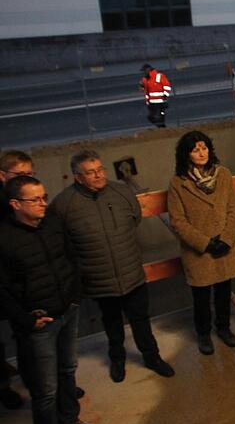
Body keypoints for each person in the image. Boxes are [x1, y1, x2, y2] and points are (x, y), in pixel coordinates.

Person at [49, 150, 174, 383]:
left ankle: (152, 357)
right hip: (99, 278)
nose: (98, 175)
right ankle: (117, 359)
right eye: (91, 172)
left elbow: (135, 218)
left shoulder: (120, 192)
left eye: (100, 169)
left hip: (131, 272)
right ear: (78, 177)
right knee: (112, 322)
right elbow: (60, 241)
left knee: (140, 319)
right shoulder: (64, 204)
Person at [0, 176, 87, 424]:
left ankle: (71, 420)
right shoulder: (5, 239)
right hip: (40, 322)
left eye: (44, 197)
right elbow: (2, 290)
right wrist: (26, 320)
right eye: (35, 199)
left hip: (68, 310)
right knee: (46, 389)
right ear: (16, 204)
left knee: (68, 371)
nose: (42, 204)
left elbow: (72, 259)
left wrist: (75, 296)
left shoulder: (53, 223)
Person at [167, 131, 235, 355]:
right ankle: (203, 334)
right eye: (196, 149)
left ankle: (224, 328)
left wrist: (226, 239)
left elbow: (234, 209)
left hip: (224, 246)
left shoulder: (223, 174)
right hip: (199, 250)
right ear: (186, 154)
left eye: (204, 147)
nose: (201, 153)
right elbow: (178, 222)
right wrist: (206, 243)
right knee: (201, 297)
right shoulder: (178, 183)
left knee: (223, 292)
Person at [0, 150, 34, 409]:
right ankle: (4, 389)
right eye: (20, 174)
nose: (25, 179)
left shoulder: (31, 201)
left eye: (29, 174)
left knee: (31, 339)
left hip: (27, 283)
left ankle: (41, 385)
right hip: (5, 284)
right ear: (3, 175)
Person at [140, 63, 172, 128]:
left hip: (160, 101)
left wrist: (165, 95)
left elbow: (167, 86)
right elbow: (145, 90)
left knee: (161, 116)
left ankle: (162, 128)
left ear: (148, 69)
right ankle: (162, 127)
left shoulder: (159, 76)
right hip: (152, 102)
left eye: (144, 70)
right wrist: (142, 86)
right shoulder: (145, 79)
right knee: (151, 117)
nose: (144, 72)